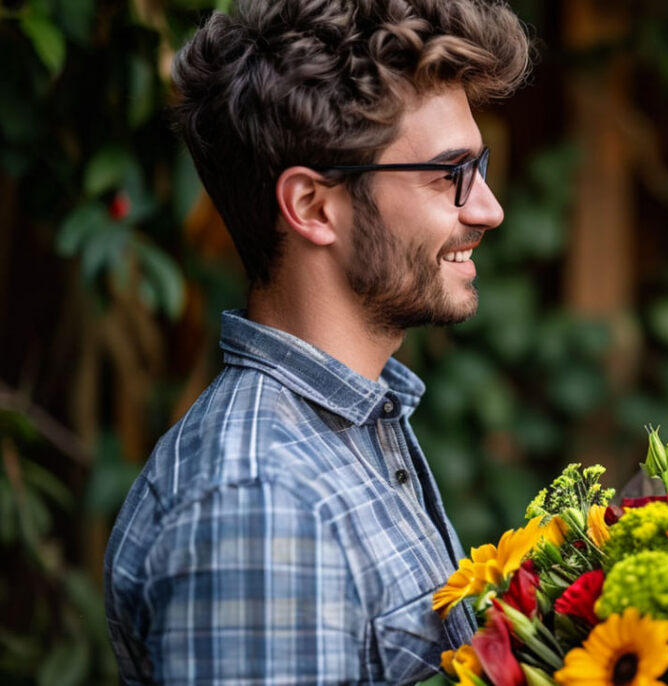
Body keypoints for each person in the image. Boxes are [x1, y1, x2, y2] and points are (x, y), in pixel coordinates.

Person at [103, 0, 529, 682]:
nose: (487, 207)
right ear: (311, 206)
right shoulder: (260, 509)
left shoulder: (354, 426)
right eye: (450, 173)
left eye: (478, 168)